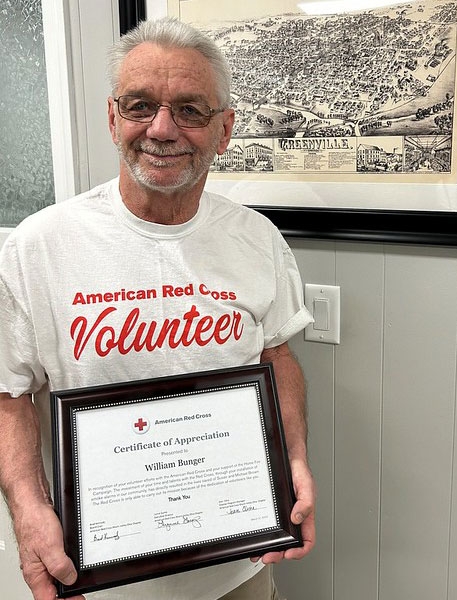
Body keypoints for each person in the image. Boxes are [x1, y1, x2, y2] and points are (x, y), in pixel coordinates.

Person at [0, 17, 315, 600]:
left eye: (191, 110)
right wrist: (27, 511)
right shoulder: (37, 246)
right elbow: (9, 394)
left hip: (237, 567)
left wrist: (292, 460)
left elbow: (276, 355)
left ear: (224, 130)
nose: (162, 129)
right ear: (113, 117)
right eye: (141, 105)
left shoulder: (257, 239)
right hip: (99, 576)